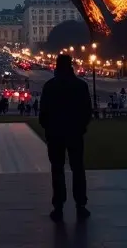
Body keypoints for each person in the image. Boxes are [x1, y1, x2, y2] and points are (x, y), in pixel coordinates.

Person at [39, 53, 92, 223]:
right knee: (78, 168)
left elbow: (43, 112)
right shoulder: (80, 85)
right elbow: (87, 111)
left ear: (56, 65)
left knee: (57, 169)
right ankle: (81, 205)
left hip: (55, 133)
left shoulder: (50, 86)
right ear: (71, 65)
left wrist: (48, 128)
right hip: (75, 132)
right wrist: (81, 127)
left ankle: (59, 206)